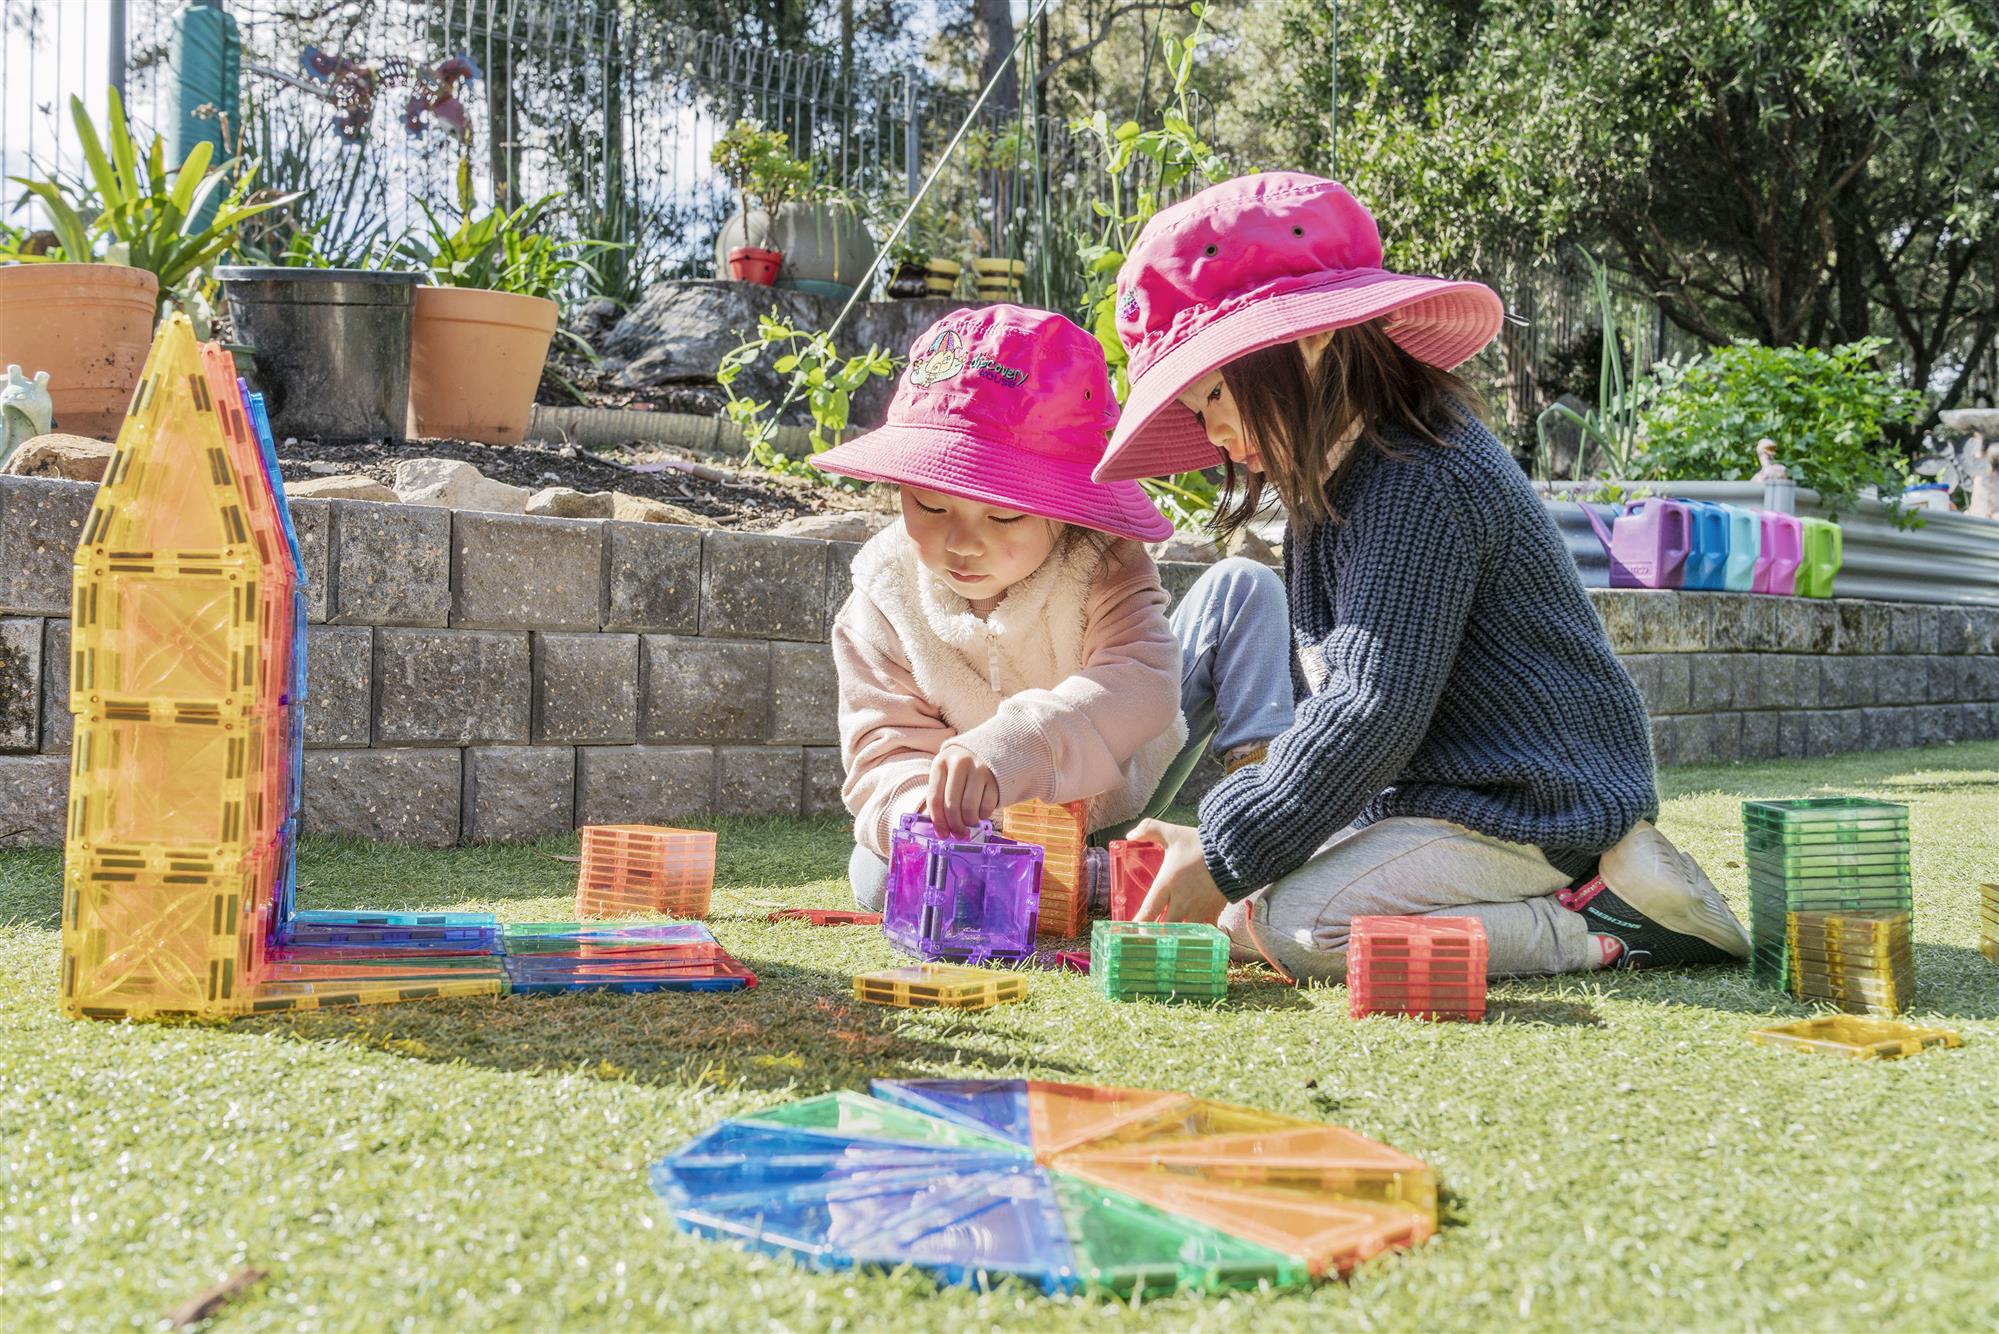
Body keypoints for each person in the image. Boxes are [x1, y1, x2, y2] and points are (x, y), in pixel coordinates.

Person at [1092, 172, 1752, 976]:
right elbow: (1339, 708)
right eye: (1196, 411)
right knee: (1243, 903)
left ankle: (1603, 923)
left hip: (1532, 805)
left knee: (1298, 927)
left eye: (1217, 393)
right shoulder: (1335, 471)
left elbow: (1371, 707)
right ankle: (1565, 896)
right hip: (1445, 803)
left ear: (1308, 341)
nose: (1215, 432)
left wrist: (1229, 845)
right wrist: (1221, 838)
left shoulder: (1418, 474)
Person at [821, 304, 1294, 913]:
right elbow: (883, 747)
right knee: (879, 877)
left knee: (1244, 587)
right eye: (930, 506)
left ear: (1063, 508)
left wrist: (1010, 747)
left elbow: (1144, 684)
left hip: (1118, 786)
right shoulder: (883, 594)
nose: (963, 542)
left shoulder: (1099, 557)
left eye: (1004, 514)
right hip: (990, 835)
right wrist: (924, 808)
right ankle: (1093, 881)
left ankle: (1264, 816)